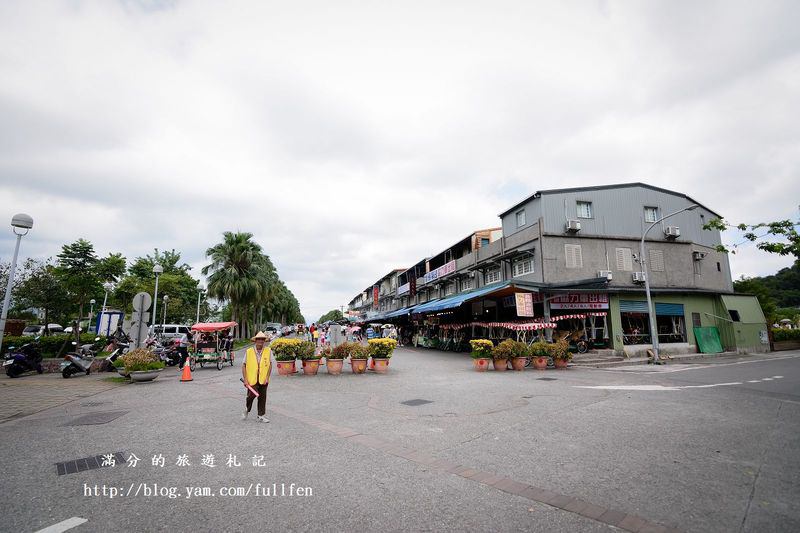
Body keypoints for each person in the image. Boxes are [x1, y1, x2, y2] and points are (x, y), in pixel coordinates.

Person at [241, 331, 272, 423]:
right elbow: (243, 365)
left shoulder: (268, 350)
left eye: (262, 339)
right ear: (255, 341)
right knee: (251, 395)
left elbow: (270, 365)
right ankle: (247, 409)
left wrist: (267, 377)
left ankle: (261, 415)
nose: (260, 341)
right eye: (259, 339)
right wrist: (245, 379)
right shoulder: (249, 351)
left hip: (263, 379)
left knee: (262, 397)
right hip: (251, 378)